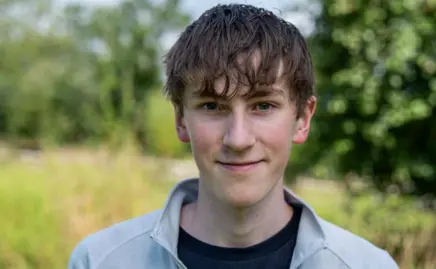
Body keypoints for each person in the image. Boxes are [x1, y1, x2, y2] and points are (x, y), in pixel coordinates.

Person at [68, 4, 398, 269]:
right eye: (212, 106)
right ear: (181, 119)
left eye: (263, 106)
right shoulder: (99, 261)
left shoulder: (367, 264)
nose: (238, 139)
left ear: (302, 119)